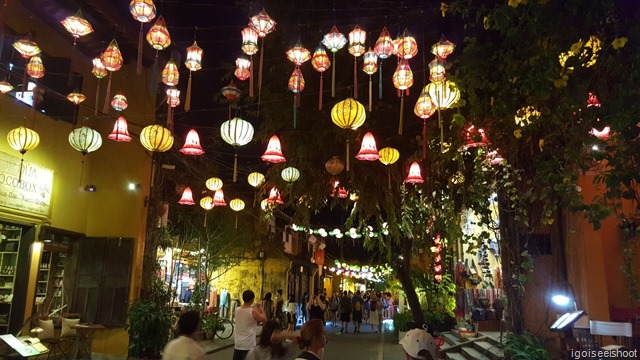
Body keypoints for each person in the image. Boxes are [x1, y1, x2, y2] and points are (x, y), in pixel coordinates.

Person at [234, 290, 267, 360]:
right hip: (248, 345)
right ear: (252, 299)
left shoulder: (237, 310)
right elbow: (264, 319)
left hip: (238, 344)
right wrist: (261, 307)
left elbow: (248, 322)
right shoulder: (252, 311)